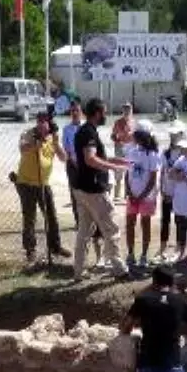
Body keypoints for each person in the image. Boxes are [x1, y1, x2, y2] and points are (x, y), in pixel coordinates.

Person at [72, 98, 131, 280]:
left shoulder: (86, 131)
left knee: (84, 232)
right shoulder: (88, 132)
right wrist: (112, 167)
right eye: (104, 112)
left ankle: (79, 271)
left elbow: (94, 158)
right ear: (97, 113)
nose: (106, 115)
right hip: (94, 190)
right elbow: (90, 159)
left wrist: (116, 161)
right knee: (111, 229)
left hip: (82, 189)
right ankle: (120, 270)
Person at [14, 112, 71, 267]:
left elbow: (63, 158)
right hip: (26, 183)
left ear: (49, 123)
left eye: (44, 122)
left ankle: (55, 247)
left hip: (43, 183)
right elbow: (23, 149)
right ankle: (30, 250)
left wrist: (57, 142)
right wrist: (36, 144)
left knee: (51, 216)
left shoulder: (52, 138)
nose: (41, 124)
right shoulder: (28, 134)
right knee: (29, 217)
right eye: (39, 121)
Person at [63, 102, 103, 263]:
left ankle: (99, 252)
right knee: (78, 202)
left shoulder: (88, 129)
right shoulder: (67, 129)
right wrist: (76, 162)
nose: (74, 113)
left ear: (82, 112)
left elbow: (94, 152)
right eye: (72, 110)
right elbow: (67, 149)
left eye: (77, 110)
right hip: (74, 167)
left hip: (88, 168)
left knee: (96, 210)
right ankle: (79, 224)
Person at [125, 127, 162, 270]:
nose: (132, 139)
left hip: (147, 197)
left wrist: (141, 196)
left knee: (145, 225)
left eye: (134, 137)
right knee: (130, 224)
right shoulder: (131, 152)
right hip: (132, 195)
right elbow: (127, 173)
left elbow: (152, 180)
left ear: (140, 138)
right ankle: (130, 254)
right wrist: (128, 191)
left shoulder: (152, 155)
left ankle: (144, 255)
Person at [156, 122, 187, 262]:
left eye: (176, 133)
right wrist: (162, 190)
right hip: (167, 193)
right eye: (171, 134)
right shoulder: (165, 152)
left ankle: (180, 249)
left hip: (180, 194)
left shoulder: (186, 153)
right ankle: (162, 248)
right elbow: (162, 172)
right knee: (165, 221)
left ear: (182, 134)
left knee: (180, 221)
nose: (173, 136)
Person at [111, 103, 136, 201]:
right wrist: (118, 141)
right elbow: (112, 136)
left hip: (131, 149)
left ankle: (127, 194)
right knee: (118, 171)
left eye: (129, 109)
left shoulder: (134, 122)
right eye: (125, 109)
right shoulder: (118, 122)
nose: (127, 111)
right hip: (120, 148)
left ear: (131, 110)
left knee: (130, 172)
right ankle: (117, 195)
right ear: (122, 110)